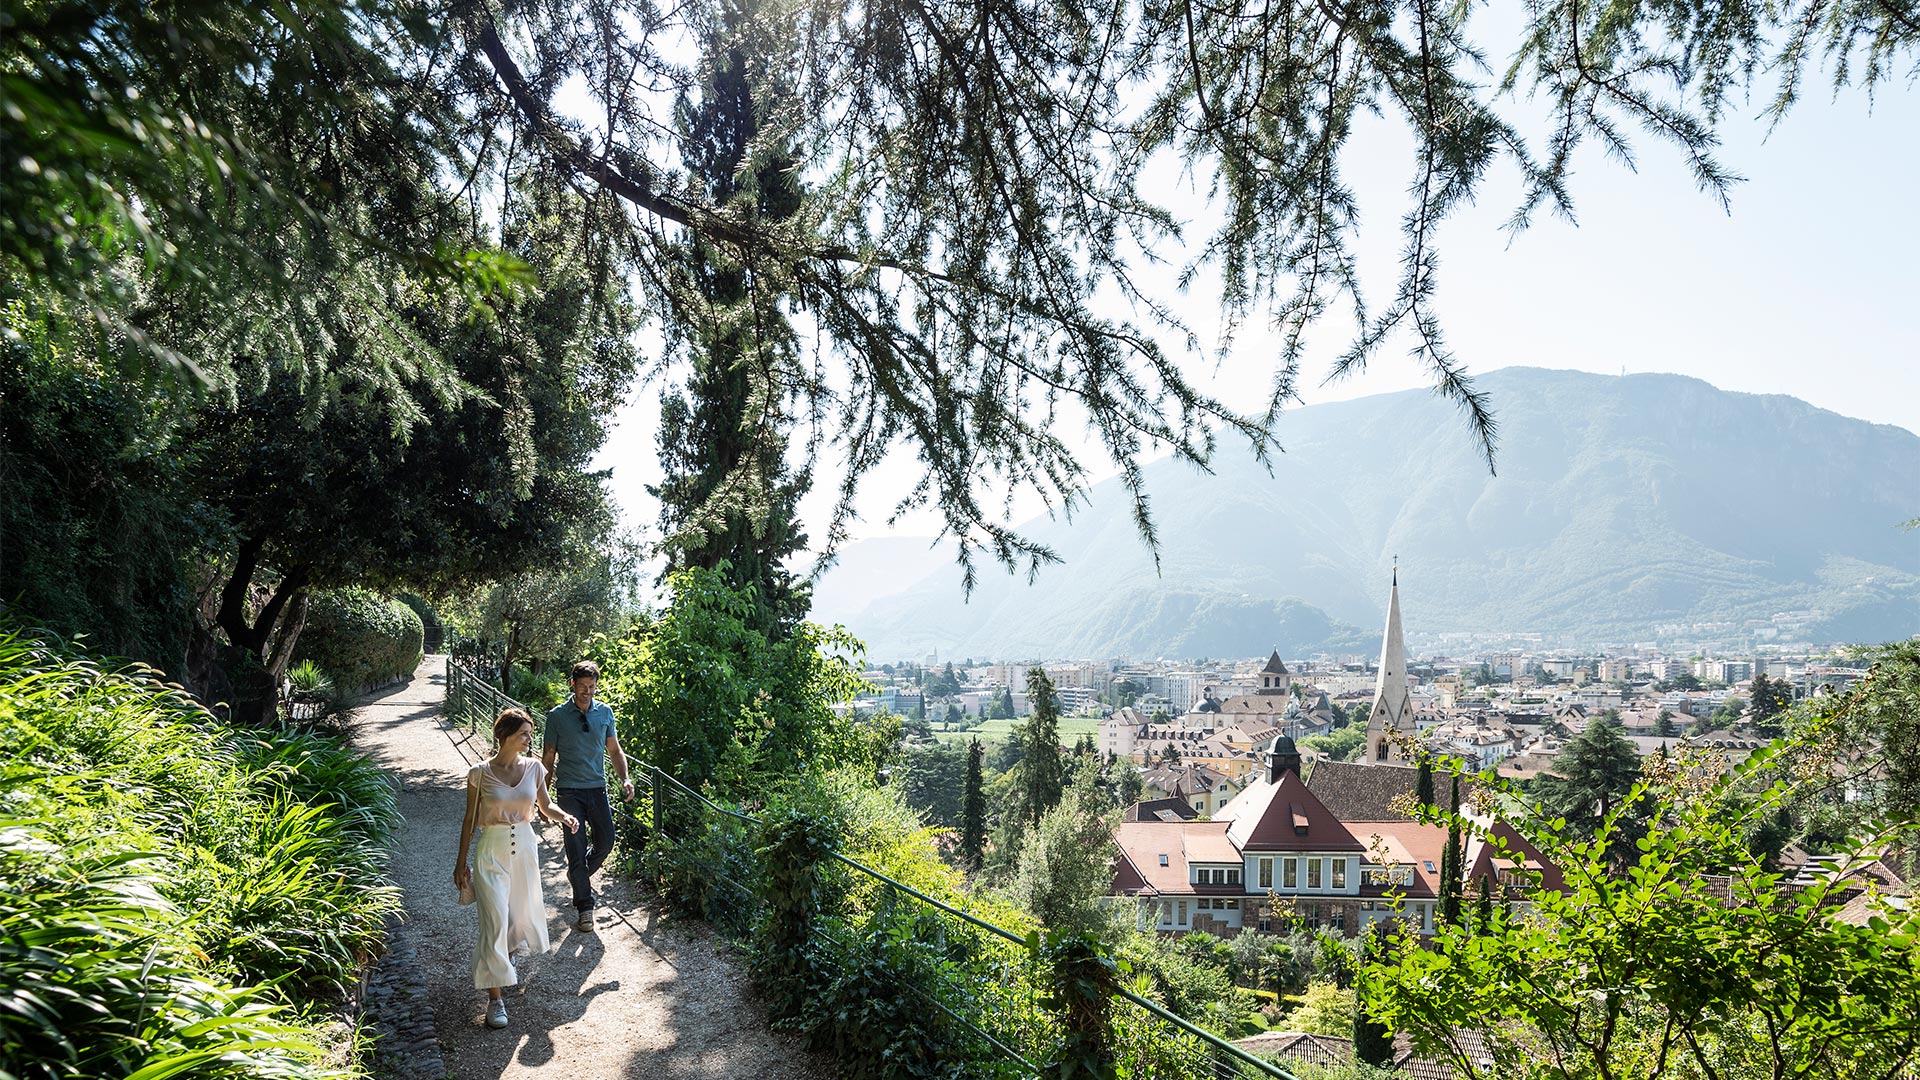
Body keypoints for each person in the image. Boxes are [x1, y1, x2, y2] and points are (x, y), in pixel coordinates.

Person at [454, 707, 577, 1030]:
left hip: (524, 847)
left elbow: (545, 805)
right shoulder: (479, 773)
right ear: (506, 735)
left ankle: (501, 961)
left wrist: (564, 816)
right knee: (494, 922)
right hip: (490, 851)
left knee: (517, 922)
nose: (528, 739)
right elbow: (469, 820)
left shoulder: (535, 768)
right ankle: (495, 1000)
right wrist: (460, 862)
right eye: (524, 733)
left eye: (529, 734)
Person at [542, 659, 633, 932]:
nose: (587, 692)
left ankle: (577, 875)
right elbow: (548, 758)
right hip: (568, 791)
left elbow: (615, 752)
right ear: (573, 684)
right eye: (583, 687)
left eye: (592, 687)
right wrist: (542, 798)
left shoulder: (604, 713)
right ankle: (585, 906)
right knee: (576, 848)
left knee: (606, 841)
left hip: (597, 788)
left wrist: (625, 778)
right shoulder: (556, 716)